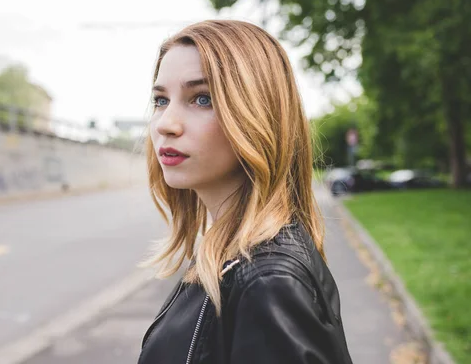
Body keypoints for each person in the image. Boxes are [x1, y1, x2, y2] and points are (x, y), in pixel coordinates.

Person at [137, 20, 353, 364]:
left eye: (202, 99)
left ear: (257, 115)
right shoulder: (229, 251)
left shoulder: (267, 282)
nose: (165, 124)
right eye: (161, 100)